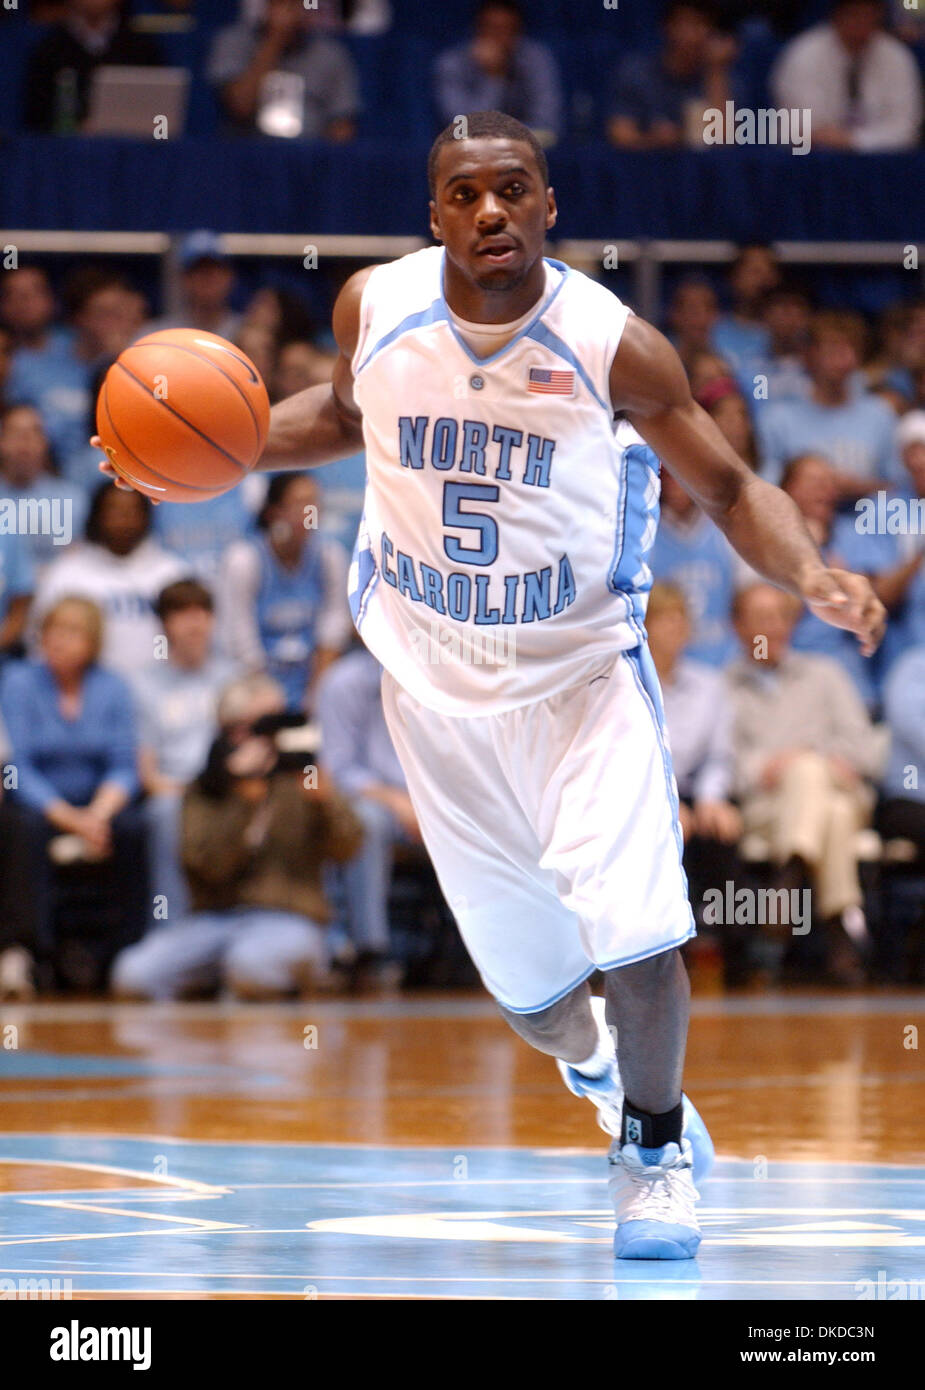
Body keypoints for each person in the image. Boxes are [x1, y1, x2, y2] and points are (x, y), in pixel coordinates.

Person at [97, 111, 886, 1260]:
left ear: (549, 206)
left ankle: (654, 1149)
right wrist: (206, 450)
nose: (490, 212)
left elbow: (724, 486)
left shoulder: (613, 345)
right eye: (464, 194)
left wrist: (810, 570)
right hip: (431, 695)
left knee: (640, 934)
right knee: (538, 1004)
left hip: (580, 681)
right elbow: (346, 415)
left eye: (513, 189)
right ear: (435, 216)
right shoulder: (374, 306)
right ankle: (609, 1073)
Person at [110, 673, 363, 1000]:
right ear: (230, 732)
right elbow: (208, 866)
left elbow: (349, 847)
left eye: (274, 725)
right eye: (253, 729)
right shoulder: (207, 788)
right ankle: (217, 980)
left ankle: (230, 980)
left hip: (290, 918)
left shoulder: (304, 775)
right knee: (133, 975)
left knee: (251, 969)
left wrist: (326, 802)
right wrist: (243, 802)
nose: (265, 739)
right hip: (214, 921)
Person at [726, 583, 883, 982]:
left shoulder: (825, 675)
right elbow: (725, 764)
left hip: (835, 785)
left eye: (781, 616)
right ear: (737, 627)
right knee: (831, 812)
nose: (774, 627)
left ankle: (789, 881)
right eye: (762, 618)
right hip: (769, 807)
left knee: (810, 773)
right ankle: (839, 935)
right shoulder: (724, 687)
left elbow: (864, 748)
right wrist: (768, 766)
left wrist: (810, 759)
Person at [0, 596, 147, 986]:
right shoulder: (19, 681)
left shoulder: (112, 686)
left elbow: (123, 765)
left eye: (71, 633)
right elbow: (17, 766)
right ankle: (31, 951)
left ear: (92, 642)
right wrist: (68, 817)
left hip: (97, 803)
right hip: (41, 804)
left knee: (134, 826)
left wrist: (97, 815)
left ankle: (126, 949)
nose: (59, 641)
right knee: (21, 828)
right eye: (52, 632)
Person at [645, 584, 744, 979]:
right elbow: (633, 756)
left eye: (681, 619)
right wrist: (668, 804)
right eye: (665, 619)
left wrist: (710, 798)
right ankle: (660, 953)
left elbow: (720, 755)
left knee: (722, 833)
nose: (676, 628)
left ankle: (742, 950)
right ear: (644, 626)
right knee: (664, 836)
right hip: (645, 791)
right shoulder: (625, 683)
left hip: (696, 788)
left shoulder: (710, 684)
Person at [135, 579, 238, 927]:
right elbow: (148, 777)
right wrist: (193, 793)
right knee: (165, 813)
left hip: (229, 787)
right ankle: (170, 927)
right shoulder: (145, 685)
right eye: (182, 613)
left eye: (202, 612)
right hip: (174, 791)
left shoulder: (234, 677)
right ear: (165, 623)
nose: (194, 622)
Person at [317, 642, 421, 983]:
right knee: (366, 821)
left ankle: (475, 953)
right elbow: (338, 770)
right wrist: (397, 801)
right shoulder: (341, 681)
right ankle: (369, 948)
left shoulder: (444, 673)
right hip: (374, 800)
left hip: (433, 801)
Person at [217, 472, 351, 711]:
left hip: (312, 678)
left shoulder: (330, 556)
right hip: (256, 682)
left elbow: (333, 626)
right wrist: (270, 701)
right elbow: (239, 636)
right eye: (300, 503)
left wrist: (316, 693)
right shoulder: (244, 560)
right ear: (274, 512)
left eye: (315, 502)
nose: (310, 512)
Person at [32, 481, 187, 681]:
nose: (124, 519)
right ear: (96, 516)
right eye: (114, 510)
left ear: (146, 517)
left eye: (132, 511)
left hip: (162, 692)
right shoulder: (66, 574)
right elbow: (38, 642)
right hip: (87, 693)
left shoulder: (172, 574)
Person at [756, 311, 902, 494]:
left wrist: (856, 488)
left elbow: (899, 487)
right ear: (809, 356)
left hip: (866, 519)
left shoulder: (880, 414)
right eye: (834, 349)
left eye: (852, 349)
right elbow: (766, 487)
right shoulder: (778, 418)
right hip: (796, 519)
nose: (844, 359)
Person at [771, 0, 923, 152]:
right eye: (855, 15)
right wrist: (835, 139)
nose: (862, 23)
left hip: (883, 162)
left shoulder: (897, 56)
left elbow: (907, 128)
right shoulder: (804, 55)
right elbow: (802, 129)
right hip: (814, 161)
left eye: (869, 16)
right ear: (837, 16)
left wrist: (855, 140)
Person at [207, 0, 359, 141]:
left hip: (310, 156)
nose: (292, 13)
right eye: (284, 4)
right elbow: (240, 107)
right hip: (249, 155)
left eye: (302, 5)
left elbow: (343, 124)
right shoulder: (234, 41)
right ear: (267, 6)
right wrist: (275, 40)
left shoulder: (331, 53)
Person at [607, 0, 739, 150]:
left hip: (703, 172)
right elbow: (619, 133)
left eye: (704, 25)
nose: (696, 35)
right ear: (668, 27)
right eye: (689, 24)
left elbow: (724, 139)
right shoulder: (636, 73)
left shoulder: (724, 79)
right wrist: (653, 140)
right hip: (644, 169)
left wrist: (716, 72)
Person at [434, 0, 562, 147]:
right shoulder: (452, 63)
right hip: (471, 152)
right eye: (492, 29)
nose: (499, 37)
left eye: (508, 29)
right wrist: (493, 77)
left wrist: (501, 137)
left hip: (527, 150)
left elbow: (548, 124)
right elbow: (461, 127)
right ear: (477, 29)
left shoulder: (536, 58)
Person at [23, 0, 162, 134]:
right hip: (67, 152)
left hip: (135, 150)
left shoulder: (142, 48)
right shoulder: (48, 50)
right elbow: (36, 120)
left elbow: (160, 117)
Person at [648, 467, 739, 667]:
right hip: (664, 666)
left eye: (680, 475)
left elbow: (751, 598)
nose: (675, 484)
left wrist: (758, 652)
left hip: (724, 662)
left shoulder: (725, 530)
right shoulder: (644, 533)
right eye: (668, 476)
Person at [0, 404, 88, 577]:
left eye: (34, 432)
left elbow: (79, 562)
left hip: (56, 593)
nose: (24, 441)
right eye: (15, 433)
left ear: (45, 441)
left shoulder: (72, 499)